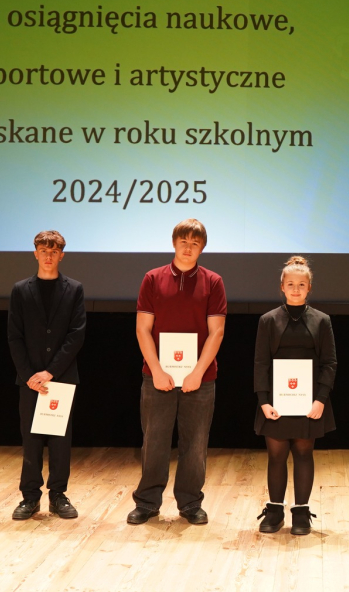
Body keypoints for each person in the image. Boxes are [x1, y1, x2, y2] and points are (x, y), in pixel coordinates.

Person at [127, 219, 227, 526]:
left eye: (195, 243)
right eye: (184, 241)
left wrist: (197, 372)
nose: (188, 248)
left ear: (202, 248)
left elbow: (217, 332)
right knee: (154, 442)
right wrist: (156, 370)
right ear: (174, 243)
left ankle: (190, 503)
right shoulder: (152, 278)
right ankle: (147, 502)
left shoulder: (213, 282)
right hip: (157, 377)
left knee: (195, 445)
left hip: (201, 379)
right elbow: (143, 329)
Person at [252, 256, 337, 536]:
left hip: (308, 401)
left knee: (303, 453)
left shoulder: (322, 321)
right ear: (282, 287)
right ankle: (275, 511)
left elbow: (330, 363)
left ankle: (301, 512)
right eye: (291, 284)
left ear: (309, 287)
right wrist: (264, 401)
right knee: (276, 455)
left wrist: (320, 399)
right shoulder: (268, 320)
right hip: (276, 402)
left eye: (301, 284)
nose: (296, 289)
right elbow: (261, 363)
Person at [7, 230, 87, 520]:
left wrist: (50, 372)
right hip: (30, 381)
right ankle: (30, 497)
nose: (49, 256)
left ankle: (58, 495)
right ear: (35, 253)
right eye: (44, 250)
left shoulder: (74, 289)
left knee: (59, 441)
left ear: (61, 255)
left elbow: (76, 335)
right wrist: (30, 375)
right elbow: (15, 336)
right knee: (30, 440)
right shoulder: (21, 290)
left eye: (54, 251)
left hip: (61, 378)